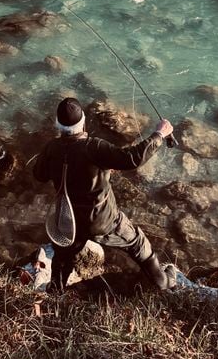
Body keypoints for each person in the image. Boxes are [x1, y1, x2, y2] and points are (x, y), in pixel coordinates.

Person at [33, 96, 176, 290]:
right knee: (138, 243)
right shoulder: (95, 146)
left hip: (69, 221)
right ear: (83, 122)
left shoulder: (51, 148)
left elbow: (39, 175)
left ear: (58, 125)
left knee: (63, 256)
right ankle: (164, 282)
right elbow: (131, 159)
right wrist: (159, 134)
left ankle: (56, 291)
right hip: (102, 221)